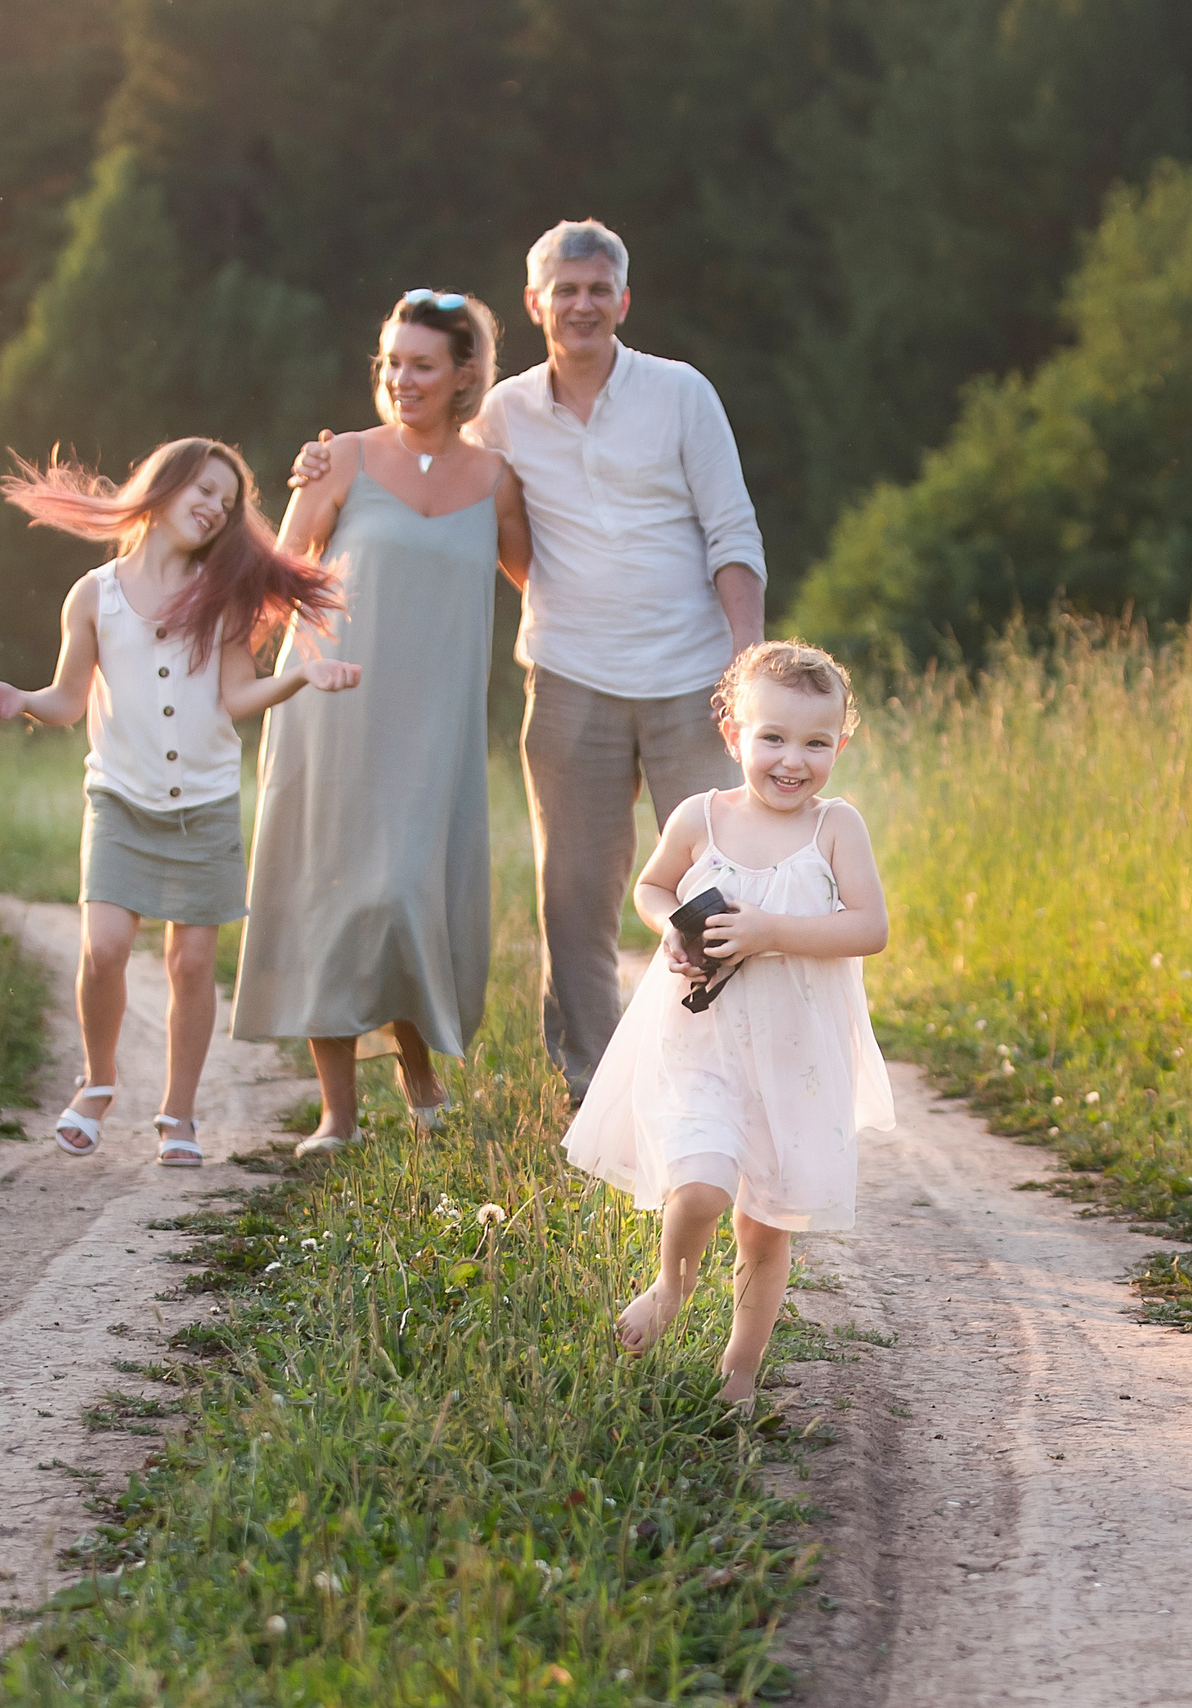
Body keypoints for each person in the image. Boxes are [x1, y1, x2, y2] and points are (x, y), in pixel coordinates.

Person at [295, 219, 765, 1099]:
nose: (582, 304)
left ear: (623, 299)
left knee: (716, 886)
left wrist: (748, 668)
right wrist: (327, 457)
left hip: (692, 679)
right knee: (575, 899)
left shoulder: (681, 393)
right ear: (535, 304)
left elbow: (732, 533)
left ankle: (717, 1075)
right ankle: (595, 1085)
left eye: (598, 289)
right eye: (566, 290)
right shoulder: (503, 410)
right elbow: (421, 452)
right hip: (569, 680)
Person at [0, 438, 358, 1164]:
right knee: (105, 947)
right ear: (161, 487)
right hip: (118, 797)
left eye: (227, 500)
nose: (215, 507)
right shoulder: (95, 593)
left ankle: (178, 1116)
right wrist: (18, 698)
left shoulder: (224, 598)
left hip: (205, 805)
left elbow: (238, 695)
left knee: (189, 965)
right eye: (203, 490)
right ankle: (97, 1081)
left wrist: (305, 676)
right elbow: (65, 700)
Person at [234, 290, 532, 1156]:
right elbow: (279, 576)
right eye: (391, 363)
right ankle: (340, 1115)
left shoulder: (497, 482)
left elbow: (539, 582)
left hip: (432, 725)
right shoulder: (340, 460)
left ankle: (419, 1075)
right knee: (334, 894)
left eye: (422, 365)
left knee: (403, 893)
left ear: (464, 374)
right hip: (331, 707)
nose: (401, 379)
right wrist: (226, 675)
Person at [562, 640, 894, 1406]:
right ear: (733, 734)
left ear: (841, 745)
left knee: (764, 1227)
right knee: (702, 1188)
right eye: (772, 737)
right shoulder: (700, 818)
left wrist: (771, 930)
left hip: (794, 1058)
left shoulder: (836, 828)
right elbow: (651, 886)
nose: (791, 760)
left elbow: (869, 927)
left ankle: (740, 1368)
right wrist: (669, 929)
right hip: (700, 1042)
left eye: (815, 743)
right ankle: (672, 1285)